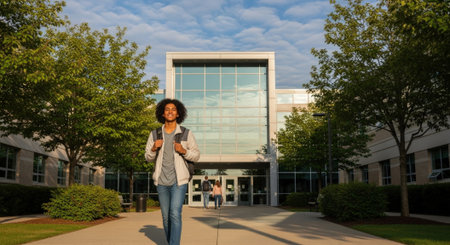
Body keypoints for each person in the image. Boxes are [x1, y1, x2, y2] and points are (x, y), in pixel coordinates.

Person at [145, 98, 200, 245]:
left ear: (178, 114)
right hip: (161, 181)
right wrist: (153, 148)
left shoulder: (185, 133)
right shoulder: (155, 134)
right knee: (165, 217)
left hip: (178, 181)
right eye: (167, 109)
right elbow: (148, 158)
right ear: (162, 113)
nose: (170, 111)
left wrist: (183, 150)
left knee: (175, 214)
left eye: (173, 109)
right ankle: (171, 242)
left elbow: (196, 155)